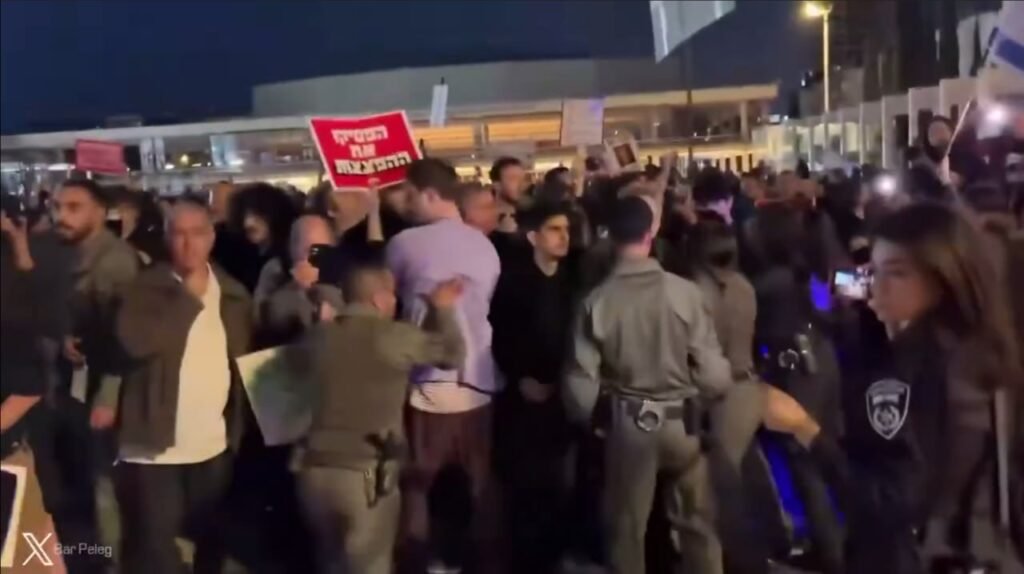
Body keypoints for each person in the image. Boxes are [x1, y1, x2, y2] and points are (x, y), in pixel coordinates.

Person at [765, 202, 1023, 573]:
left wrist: (804, 429)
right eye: (873, 270)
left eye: (897, 272)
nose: (876, 284)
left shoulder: (925, 369)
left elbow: (890, 501)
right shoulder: (971, 351)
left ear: (944, 276)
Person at [564, 195, 733, 574]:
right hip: (684, 423)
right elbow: (713, 374)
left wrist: (594, 422)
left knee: (627, 531)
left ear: (610, 235)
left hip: (630, 425)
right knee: (698, 524)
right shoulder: (685, 292)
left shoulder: (596, 301)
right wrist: (706, 397)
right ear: (651, 231)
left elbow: (580, 385)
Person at [294, 266, 466, 574]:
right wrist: (441, 309)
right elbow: (452, 354)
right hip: (364, 477)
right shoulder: (393, 336)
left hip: (313, 474)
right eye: (392, 295)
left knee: (329, 564)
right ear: (379, 298)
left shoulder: (316, 336)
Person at [111, 199, 252, 574]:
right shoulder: (144, 288)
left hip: (213, 445)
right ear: (167, 238)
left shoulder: (233, 294)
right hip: (154, 448)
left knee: (211, 547)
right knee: (153, 553)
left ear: (212, 237)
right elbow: (137, 343)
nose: (188, 243)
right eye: (179, 234)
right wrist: (187, 299)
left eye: (197, 233)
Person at [387, 158, 502, 573]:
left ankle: (423, 562)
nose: (406, 203)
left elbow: (389, 301)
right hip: (479, 380)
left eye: (410, 194)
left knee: (419, 485)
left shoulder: (404, 244)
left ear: (430, 194)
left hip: (427, 379)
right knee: (477, 486)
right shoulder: (485, 247)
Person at [47, 179, 139, 572]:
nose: (61, 216)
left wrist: (109, 395)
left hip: (105, 391)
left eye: (73, 207)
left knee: (105, 484)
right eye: (58, 207)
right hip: (72, 387)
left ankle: (111, 562)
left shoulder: (116, 263)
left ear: (100, 212)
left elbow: (127, 336)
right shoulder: (64, 255)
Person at [489, 201, 577, 573]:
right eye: (555, 229)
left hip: (563, 399)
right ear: (533, 237)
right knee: (525, 487)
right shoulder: (513, 282)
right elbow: (500, 336)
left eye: (566, 230)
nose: (564, 237)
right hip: (522, 401)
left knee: (560, 484)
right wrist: (521, 376)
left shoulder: (573, 281)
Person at [254, 214, 345, 347]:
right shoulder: (275, 271)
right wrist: (296, 287)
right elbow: (259, 319)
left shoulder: (342, 273)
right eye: (307, 250)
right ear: (292, 249)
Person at [223, 183, 299, 292]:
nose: (248, 222)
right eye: (244, 214)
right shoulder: (237, 256)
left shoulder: (289, 257)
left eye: (257, 214)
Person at [490, 156, 529, 233]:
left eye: (523, 179)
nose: (521, 184)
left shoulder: (531, 218)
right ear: (497, 185)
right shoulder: (485, 222)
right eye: (513, 179)